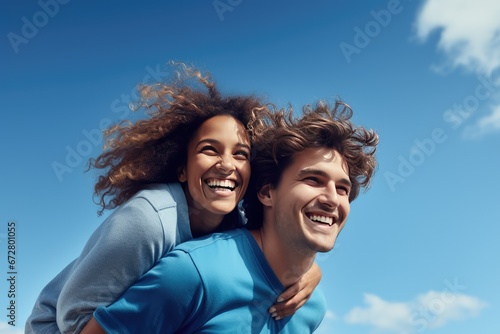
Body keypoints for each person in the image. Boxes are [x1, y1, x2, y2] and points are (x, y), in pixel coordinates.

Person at [25, 64, 322, 334]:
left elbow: (274, 247)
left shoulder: (235, 224)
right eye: (210, 149)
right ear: (182, 169)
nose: (227, 164)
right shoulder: (148, 220)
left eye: (240, 154)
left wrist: (310, 271)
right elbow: (73, 318)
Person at [80, 99, 379, 333]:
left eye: (343, 188)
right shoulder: (188, 269)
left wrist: (310, 272)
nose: (331, 199)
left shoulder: (312, 305)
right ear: (266, 193)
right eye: (313, 180)